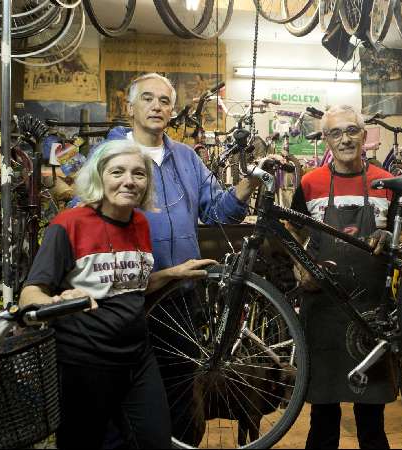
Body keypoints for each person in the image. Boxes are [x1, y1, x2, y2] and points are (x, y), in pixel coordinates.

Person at [93, 72, 266, 445]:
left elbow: (218, 212)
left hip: (181, 301)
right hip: (126, 301)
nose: (157, 106)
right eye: (148, 99)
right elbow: (85, 220)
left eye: (165, 101)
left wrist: (248, 182)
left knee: (181, 397)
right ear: (130, 106)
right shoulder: (108, 156)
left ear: (172, 110)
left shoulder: (186, 158)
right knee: (123, 402)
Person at [20, 140, 216, 449]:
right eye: (117, 172)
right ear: (100, 176)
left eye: (139, 173)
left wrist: (171, 274)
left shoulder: (138, 223)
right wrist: (56, 303)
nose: (129, 180)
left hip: (138, 357)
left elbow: (127, 285)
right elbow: (29, 295)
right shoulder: (69, 225)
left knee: (155, 442)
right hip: (84, 362)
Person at [288, 105, 397, 449]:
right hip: (323, 309)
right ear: (326, 140)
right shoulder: (309, 183)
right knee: (322, 418)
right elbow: (290, 229)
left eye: (352, 131)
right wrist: (299, 265)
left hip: (370, 312)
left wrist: (390, 238)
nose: (345, 139)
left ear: (365, 136)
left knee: (371, 420)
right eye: (336, 132)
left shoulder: (387, 183)